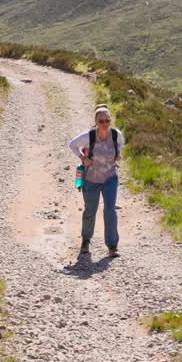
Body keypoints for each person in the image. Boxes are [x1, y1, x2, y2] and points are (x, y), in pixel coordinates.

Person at [67, 105, 124, 258]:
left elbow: (120, 145)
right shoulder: (89, 136)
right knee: (90, 210)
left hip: (110, 178)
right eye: (101, 121)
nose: (104, 124)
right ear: (96, 122)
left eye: (107, 120)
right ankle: (86, 241)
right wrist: (83, 158)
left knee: (110, 210)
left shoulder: (116, 134)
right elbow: (72, 144)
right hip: (91, 179)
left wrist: (118, 155)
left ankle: (112, 245)